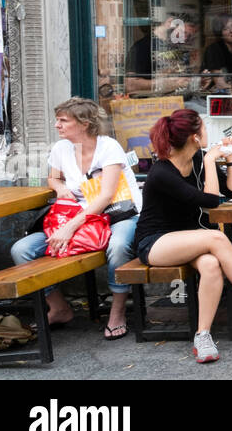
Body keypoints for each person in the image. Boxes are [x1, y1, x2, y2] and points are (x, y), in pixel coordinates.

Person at [134, 109, 232, 363]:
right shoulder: (162, 173)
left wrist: (229, 160)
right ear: (195, 137)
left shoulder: (197, 159)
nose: (208, 134)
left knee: (211, 264)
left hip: (192, 238)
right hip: (156, 241)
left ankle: (203, 335)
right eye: (204, 129)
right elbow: (211, 201)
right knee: (216, 239)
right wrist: (209, 160)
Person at [10, 97, 143, 340]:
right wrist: (60, 189)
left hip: (116, 214)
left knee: (119, 245)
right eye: (57, 120)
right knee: (22, 249)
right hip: (78, 219)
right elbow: (54, 178)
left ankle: (118, 310)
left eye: (63, 120)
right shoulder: (61, 148)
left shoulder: (108, 147)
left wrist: (70, 228)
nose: (57, 125)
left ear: (84, 124)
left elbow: (106, 196)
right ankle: (59, 307)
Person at [125, 12, 197, 96]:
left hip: (184, 98)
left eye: (188, 36)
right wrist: (164, 84)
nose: (184, 38)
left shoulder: (177, 48)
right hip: (159, 103)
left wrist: (198, 80)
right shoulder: (142, 47)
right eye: (183, 32)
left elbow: (183, 78)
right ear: (170, 23)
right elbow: (130, 85)